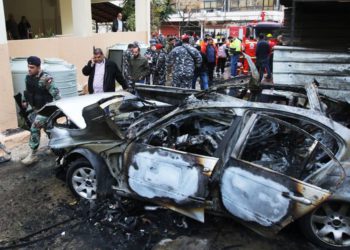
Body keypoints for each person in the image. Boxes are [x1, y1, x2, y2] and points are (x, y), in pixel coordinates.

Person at [21, 56, 61, 165]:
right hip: (36, 108)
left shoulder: (46, 79)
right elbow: (28, 91)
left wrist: (62, 108)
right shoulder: (28, 78)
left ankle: (33, 154)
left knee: (35, 128)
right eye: (28, 67)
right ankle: (56, 147)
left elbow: (56, 94)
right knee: (49, 128)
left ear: (38, 67)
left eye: (32, 67)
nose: (29, 69)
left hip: (46, 109)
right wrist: (24, 101)